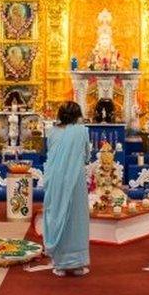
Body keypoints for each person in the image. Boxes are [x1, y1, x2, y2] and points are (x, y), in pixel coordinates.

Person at [43, 101, 90, 277]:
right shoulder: (82, 131)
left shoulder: (52, 132)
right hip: (75, 180)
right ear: (78, 115)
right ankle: (78, 264)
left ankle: (59, 264)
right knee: (76, 218)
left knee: (56, 214)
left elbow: (50, 153)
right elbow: (86, 156)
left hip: (55, 179)